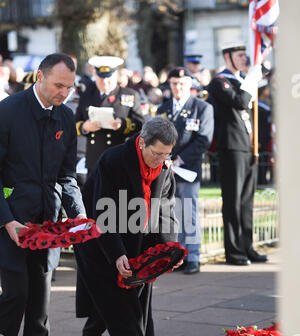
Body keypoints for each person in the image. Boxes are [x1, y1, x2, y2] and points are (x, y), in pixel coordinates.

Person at [0, 53, 86, 336]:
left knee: (40, 304)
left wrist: (77, 216)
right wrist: (7, 221)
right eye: (58, 85)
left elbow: (66, 176)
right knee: (14, 298)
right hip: (11, 224)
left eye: (69, 87)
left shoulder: (66, 116)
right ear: (39, 77)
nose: (63, 93)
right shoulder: (7, 111)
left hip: (47, 226)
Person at [74, 117, 179, 336]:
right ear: (142, 142)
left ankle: (92, 335)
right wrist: (116, 252)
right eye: (157, 153)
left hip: (136, 234)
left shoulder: (164, 167)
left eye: (167, 154)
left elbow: (165, 210)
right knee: (114, 295)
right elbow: (101, 211)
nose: (162, 160)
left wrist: (170, 249)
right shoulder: (114, 160)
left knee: (133, 290)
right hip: (99, 237)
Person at [208, 41, 268, 265]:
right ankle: (233, 251)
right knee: (233, 201)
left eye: (245, 55)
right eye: (240, 55)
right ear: (227, 57)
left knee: (246, 202)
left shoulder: (242, 81)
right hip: (231, 146)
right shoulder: (219, 81)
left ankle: (246, 246)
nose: (244, 59)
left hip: (248, 146)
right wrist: (252, 78)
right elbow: (241, 102)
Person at [157, 67, 214, 274]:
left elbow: (203, 140)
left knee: (188, 212)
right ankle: (176, 256)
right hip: (165, 169)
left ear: (190, 86)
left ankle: (193, 256)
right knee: (170, 214)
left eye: (182, 84)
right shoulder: (163, 109)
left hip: (187, 169)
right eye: (174, 84)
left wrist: (179, 159)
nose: (178, 87)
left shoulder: (202, 108)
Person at [75, 56, 144, 174]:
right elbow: (75, 123)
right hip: (95, 160)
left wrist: (123, 124)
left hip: (121, 159)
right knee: (97, 192)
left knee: (122, 192)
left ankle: (122, 194)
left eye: (109, 78)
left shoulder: (130, 95)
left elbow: (140, 125)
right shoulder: (87, 95)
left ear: (116, 75)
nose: (105, 82)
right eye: (101, 78)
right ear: (95, 75)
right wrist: (85, 127)